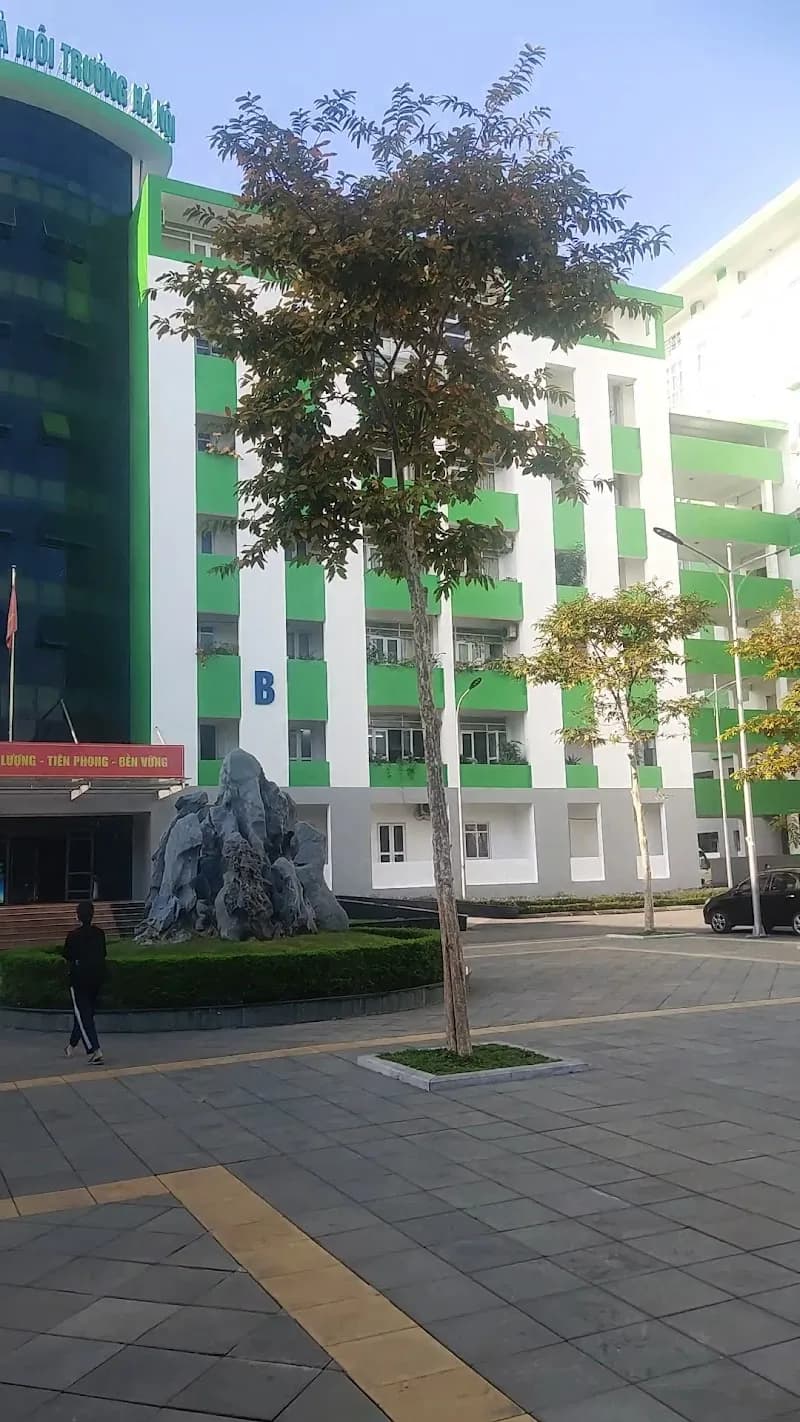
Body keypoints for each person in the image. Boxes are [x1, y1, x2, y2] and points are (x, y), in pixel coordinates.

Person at [62, 901, 106, 1065]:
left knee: (84, 1015)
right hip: (97, 978)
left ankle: (95, 1050)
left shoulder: (73, 936)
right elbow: (103, 954)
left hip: (79, 979)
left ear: (77, 916)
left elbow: (67, 956)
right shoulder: (100, 934)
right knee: (84, 1014)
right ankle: (71, 1045)